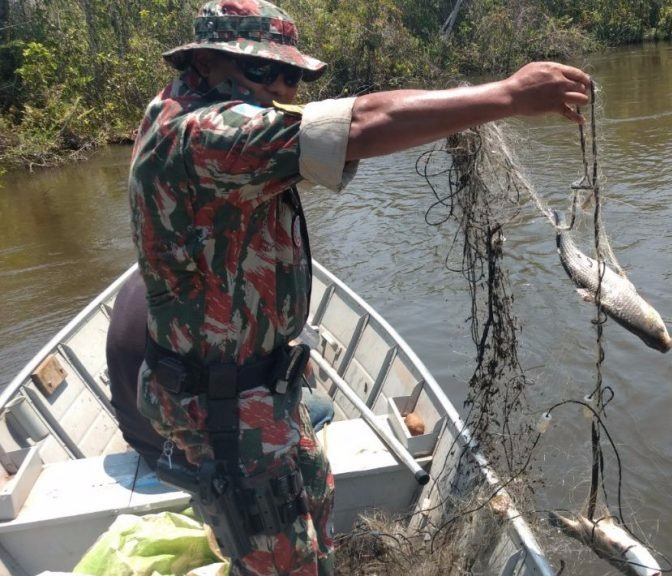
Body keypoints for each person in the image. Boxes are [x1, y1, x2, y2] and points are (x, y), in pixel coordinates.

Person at [127, 1, 591, 575]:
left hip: (263, 387)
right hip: (223, 409)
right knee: (278, 557)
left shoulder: (192, 108)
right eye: (263, 72)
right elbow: (362, 122)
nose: (279, 88)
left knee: (314, 502)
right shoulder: (201, 134)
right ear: (203, 62)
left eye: (291, 75)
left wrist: (466, 102)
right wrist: (510, 95)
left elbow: (352, 118)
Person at [105, 270, 334, 470]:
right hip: (195, 457)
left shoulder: (137, 283)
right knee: (322, 405)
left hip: (144, 444)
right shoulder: (209, 292)